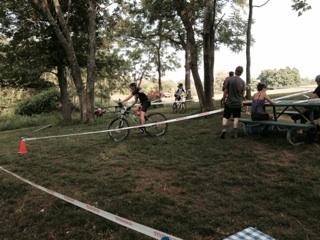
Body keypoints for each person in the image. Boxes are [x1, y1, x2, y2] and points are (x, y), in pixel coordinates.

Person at [220, 66, 246, 139]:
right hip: (237, 103)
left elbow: (225, 91)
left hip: (229, 103)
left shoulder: (229, 79)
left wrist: (223, 99)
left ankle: (224, 130)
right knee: (236, 117)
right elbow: (242, 94)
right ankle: (235, 133)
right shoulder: (243, 82)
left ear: (235, 71)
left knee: (225, 117)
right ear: (241, 73)